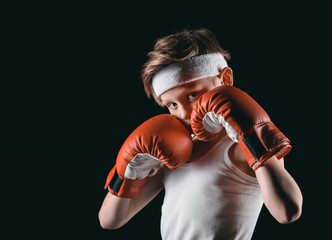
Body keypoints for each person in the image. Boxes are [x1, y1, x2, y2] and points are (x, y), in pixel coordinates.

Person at [98, 28, 303, 240]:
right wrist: (129, 170)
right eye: (172, 104)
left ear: (225, 78)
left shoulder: (241, 147)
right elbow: (110, 220)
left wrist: (254, 138)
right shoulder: (172, 151)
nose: (184, 113)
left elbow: (287, 212)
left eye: (193, 94)